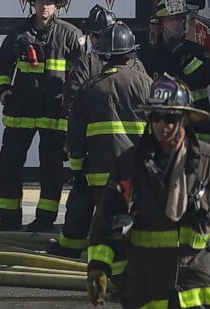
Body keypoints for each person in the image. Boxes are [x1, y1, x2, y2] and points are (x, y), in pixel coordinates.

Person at [86, 75, 210, 308]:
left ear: (184, 119)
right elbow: (106, 218)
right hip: (147, 288)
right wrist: (98, 268)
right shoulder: (129, 165)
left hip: (200, 284)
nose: (161, 126)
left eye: (169, 118)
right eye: (155, 117)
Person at [48, 20, 151, 258]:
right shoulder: (146, 84)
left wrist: (77, 168)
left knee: (81, 206)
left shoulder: (89, 88)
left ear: (103, 56)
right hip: (135, 173)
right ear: (130, 53)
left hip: (98, 175)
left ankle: (69, 249)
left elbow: (75, 135)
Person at [0, 0, 84, 232]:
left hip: (54, 112)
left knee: (51, 168)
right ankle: (8, 217)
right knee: (8, 164)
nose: (45, 7)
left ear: (58, 6)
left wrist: (71, 107)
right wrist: (4, 89)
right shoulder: (18, 34)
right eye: (41, 2)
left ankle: (45, 218)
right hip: (21, 111)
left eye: (50, 3)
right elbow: (3, 64)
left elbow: (80, 75)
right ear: (33, 4)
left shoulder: (70, 35)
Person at [139, 0, 210, 124]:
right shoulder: (150, 55)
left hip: (195, 128)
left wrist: (184, 58)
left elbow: (205, 78)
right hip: (162, 126)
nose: (176, 23)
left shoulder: (197, 51)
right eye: (171, 19)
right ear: (161, 24)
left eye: (179, 19)